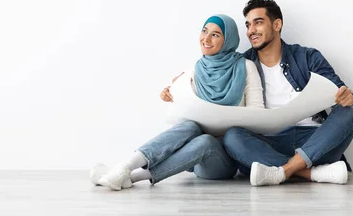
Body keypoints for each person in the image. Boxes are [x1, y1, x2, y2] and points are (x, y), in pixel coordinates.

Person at [90, 14, 264, 191]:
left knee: (206, 140)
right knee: (190, 127)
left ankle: (132, 177)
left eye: (216, 34)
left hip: (223, 160)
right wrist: (171, 95)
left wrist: (222, 120)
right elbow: (182, 116)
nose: (206, 38)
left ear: (228, 40)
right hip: (192, 154)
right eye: (204, 31)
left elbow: (258, 114)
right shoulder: (195, 71)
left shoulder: (246, 67)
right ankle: (125, 168)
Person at [223, 0, 353, 186]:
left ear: (277, 24)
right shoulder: (241, 64)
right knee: (232, 137)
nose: (250, 30)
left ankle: (281, 171)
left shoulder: (307, 57)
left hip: (313, 141)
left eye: (258, 22)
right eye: (248, 25)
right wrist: (184, 84)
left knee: (348, 113)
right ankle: (313, 174)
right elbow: (214, 82)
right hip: (270, 141)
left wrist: (348, 97)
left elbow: (337, 91)